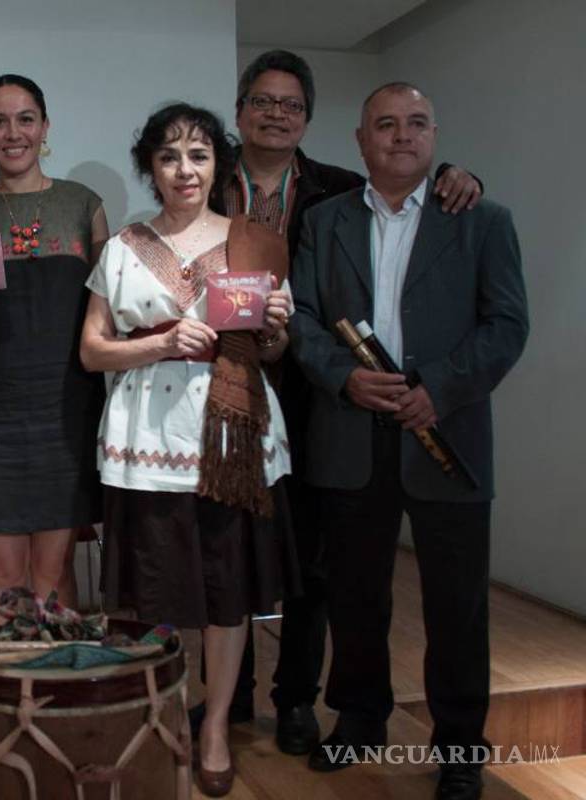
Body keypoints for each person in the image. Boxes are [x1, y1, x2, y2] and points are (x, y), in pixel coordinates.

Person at [203, 49, 484, 756]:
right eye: (262, 102)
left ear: (309, 119)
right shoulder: (201, 181)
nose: (276, 114)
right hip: (211, 394)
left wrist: (456, 176)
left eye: (291, 104)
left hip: (316, 402)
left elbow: (411, 189)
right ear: (240, 112)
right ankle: (225, 696)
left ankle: (295, 697)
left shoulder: (339, 190)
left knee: (315, 564)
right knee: (222, 551)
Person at [289, 82, 527, 800]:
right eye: (384, 125)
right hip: (351, 432)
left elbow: (507, 325)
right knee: (356, 594)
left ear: (434, 137)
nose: (401, 136)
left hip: (445, 434)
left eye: (416, 123)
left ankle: (459, 746)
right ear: (360, 141)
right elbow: (299, 316)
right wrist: (343, 379)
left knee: (458, 603)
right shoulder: (324, 221)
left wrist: (441, 390)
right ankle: (359, 719)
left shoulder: (483, 220)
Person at [80, 102, 298, 798]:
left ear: (218, 166)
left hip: (231, 442)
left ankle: (214, 730)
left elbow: (274, 349)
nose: (185, 169)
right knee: (156, 593)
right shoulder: (120, 247)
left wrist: (276, 327)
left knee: (227, 593)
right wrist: (161, 342)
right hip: (147, 443)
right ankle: (163, 717)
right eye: (170, 155)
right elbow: (91, 351)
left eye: (199, 155)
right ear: (151, 166)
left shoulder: (254, 241)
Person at [0, 74, 109, 626]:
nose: (13, 133)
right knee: (3, 571)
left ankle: (57, 702)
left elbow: (110, 307)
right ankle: (2, 701)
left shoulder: (84, 206)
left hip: (66, 408)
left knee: (55, 570)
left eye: (25, 118)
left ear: (45, 127)